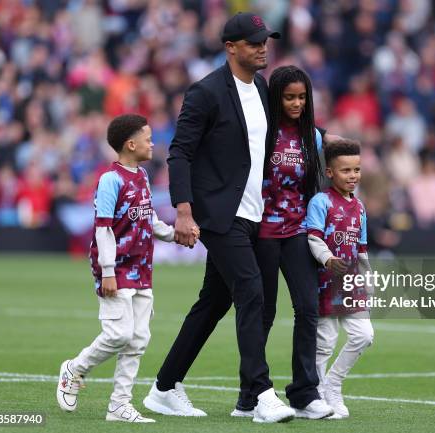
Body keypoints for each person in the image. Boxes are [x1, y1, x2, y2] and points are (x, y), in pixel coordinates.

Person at [143, 13, 305, 423]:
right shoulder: (206, 93)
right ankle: (261, 393)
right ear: (230, 47)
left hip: (255, 213)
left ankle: (164, 387)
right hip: (220, 214)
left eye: (265, 40)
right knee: (252, 290)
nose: (262, 47)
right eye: (253, 42)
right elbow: (179, 152)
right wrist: (183, 209)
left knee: (213, 303)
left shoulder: (264, 87)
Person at [56, 114, 181, 423]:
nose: (153, 143)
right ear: (131, 143)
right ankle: (74, 369)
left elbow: (147, 219)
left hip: (142, 269)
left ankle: (119, 406)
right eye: (148, 138)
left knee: (138, 339)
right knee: (118, 334)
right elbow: (103, 228)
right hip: (117, 268)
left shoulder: (142, 176)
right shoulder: (111, 180)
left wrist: (173, 233)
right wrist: (108, 270)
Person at [233, 65, 333, 419]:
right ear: (276, 97)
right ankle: (250, 397)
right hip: (261, 233)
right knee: (263, 313)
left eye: (302, 97)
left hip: (298, 233)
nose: (296, 103)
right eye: (289, 97)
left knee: (308, 308)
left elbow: (321, 184)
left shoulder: (314, 138)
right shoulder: (262, 132)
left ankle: (305, 393)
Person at [305, 139, 375, 419]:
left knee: (365, 335)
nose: (353, 176)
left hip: (351, 285)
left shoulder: (359, 207)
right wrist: (327, 259)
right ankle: (320, 395)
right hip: (325, 283)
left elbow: (361, 248)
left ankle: (333, 384)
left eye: (356, 169)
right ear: (330, 172)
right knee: (325, 343)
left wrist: (368, 280)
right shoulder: (320, 202)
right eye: (346, 170)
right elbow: (314, 237)